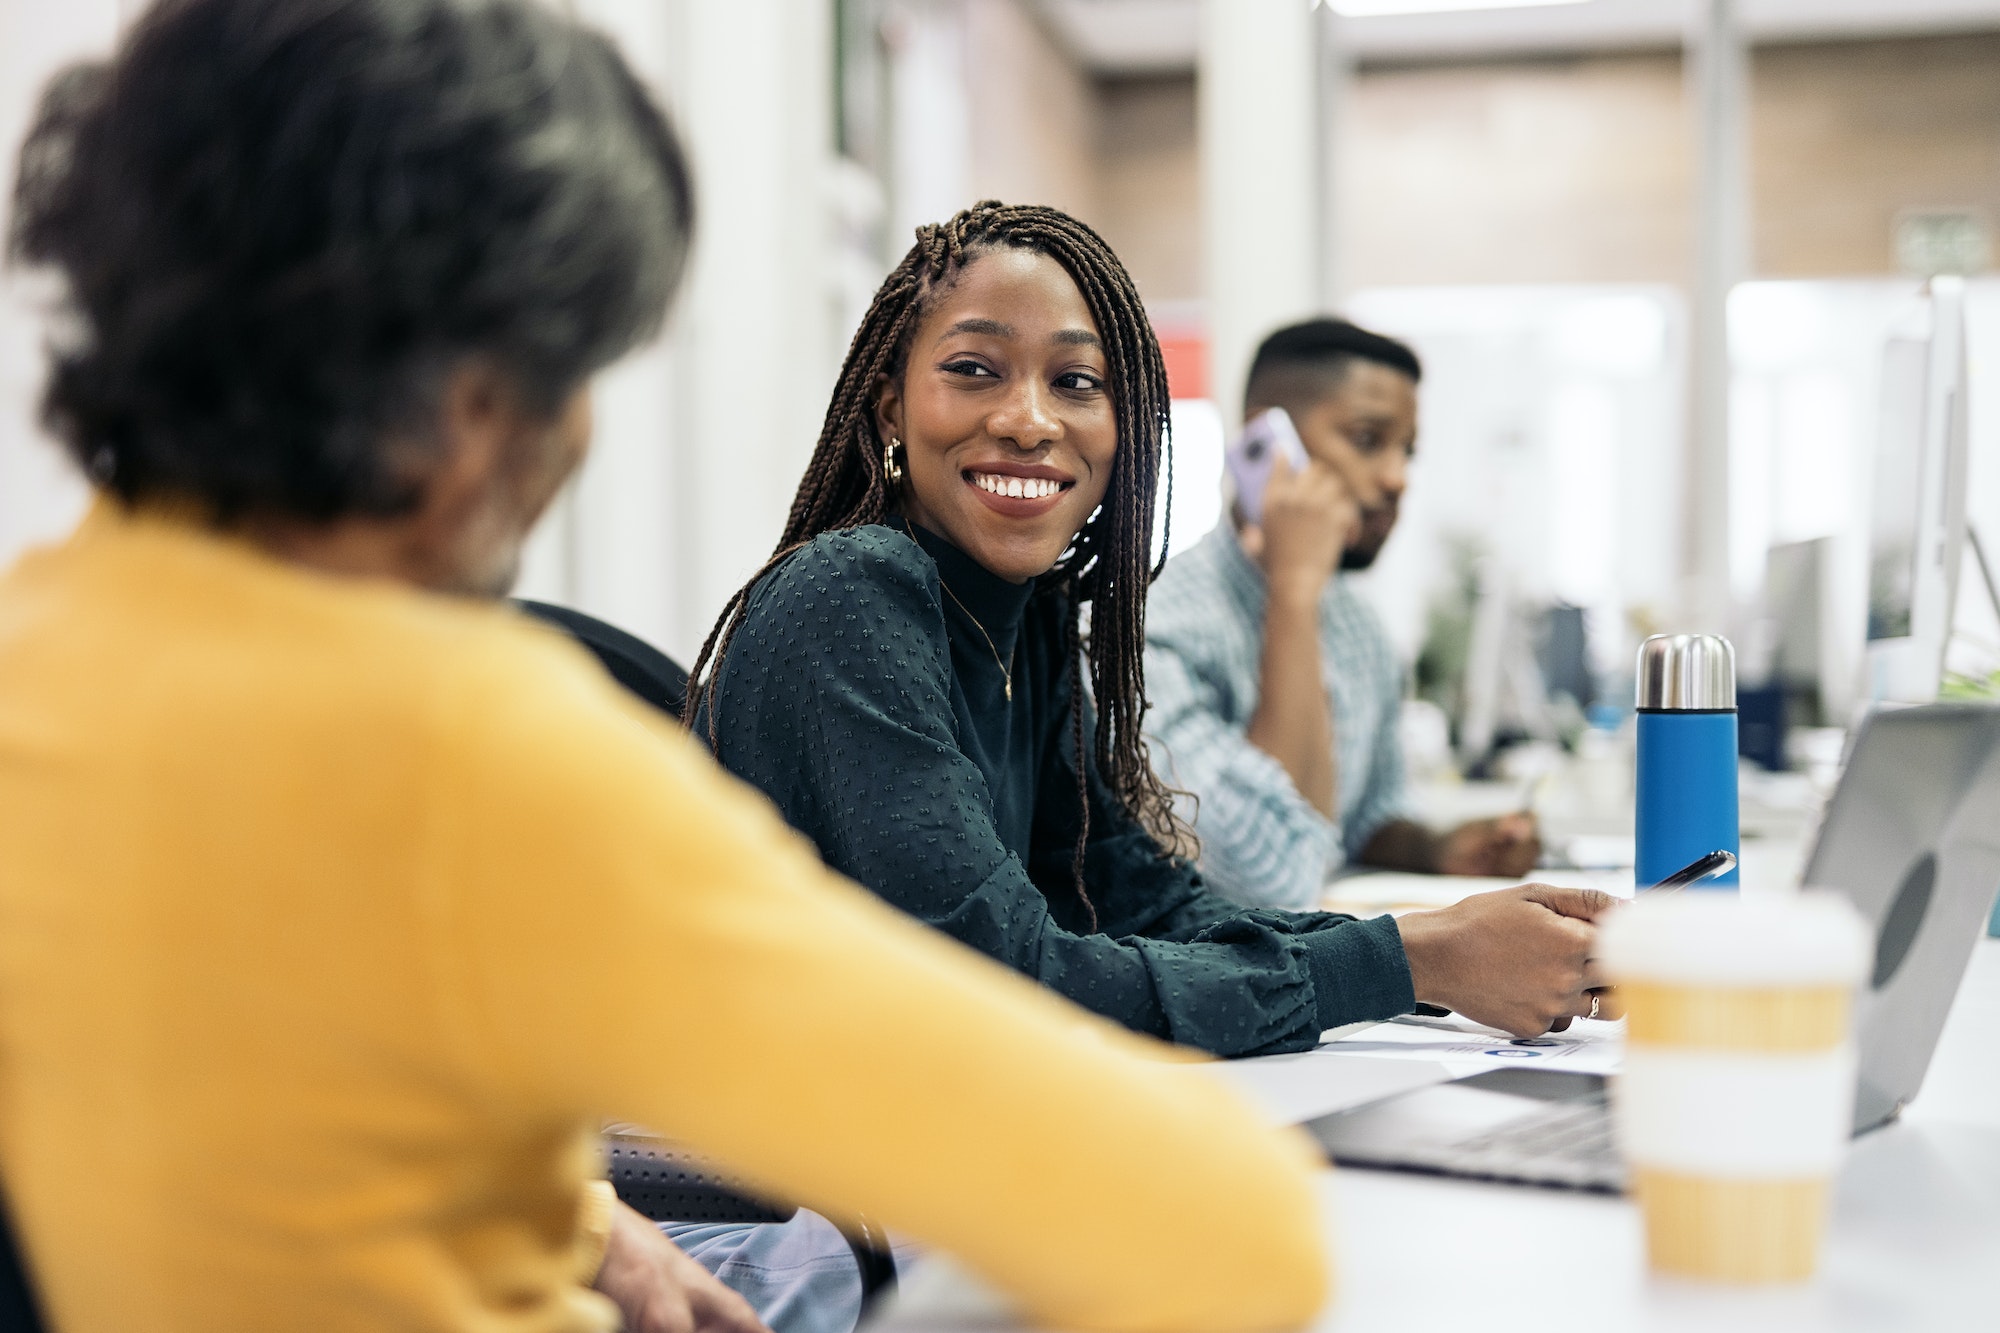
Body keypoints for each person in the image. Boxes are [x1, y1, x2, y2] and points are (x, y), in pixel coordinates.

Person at [0, 5, 1333, 1332]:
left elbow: (256, 1055)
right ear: (475, 406)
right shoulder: (472, 749)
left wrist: (592, 1231)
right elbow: (1234, 1231)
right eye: (578, 367)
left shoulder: (40, 660)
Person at [692, 203, 1612, 1065]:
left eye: (1076, 382)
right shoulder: (854, 593)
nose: (1027, 419)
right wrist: (1415, 963)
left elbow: (1146, 904)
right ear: (891, 406)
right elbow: (1005, 986)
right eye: (974, 368)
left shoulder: (1032, 618)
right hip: (792, 1209)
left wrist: (1444, 942)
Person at [1144, 319, 1541, 912]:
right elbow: (1271, 880)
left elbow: (1361, 820)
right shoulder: (1152, 631)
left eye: (1407, 450)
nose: (1396, 477)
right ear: (1265, 444)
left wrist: (1438, 850)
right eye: (1366, 439)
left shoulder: (1360, 627)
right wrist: (1294, 593)